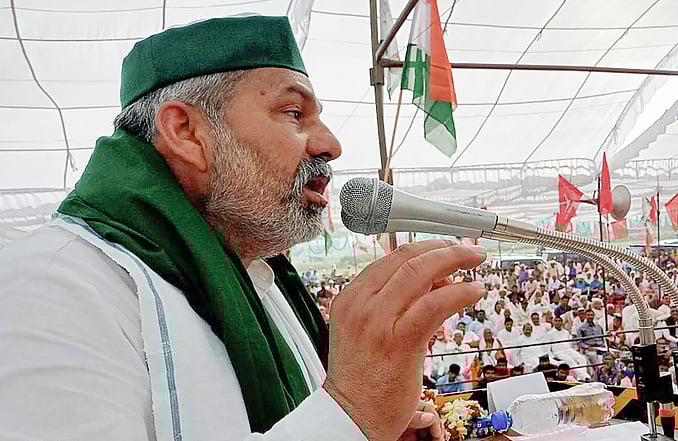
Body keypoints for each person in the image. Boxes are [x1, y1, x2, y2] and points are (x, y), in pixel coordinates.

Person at [0, 16, 485, 441]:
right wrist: (351, 417)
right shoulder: (50, 287)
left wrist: (372, 430)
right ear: (187, 132)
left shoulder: (258, 276)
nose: (331, 145)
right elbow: (337, 421)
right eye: (294, 113)